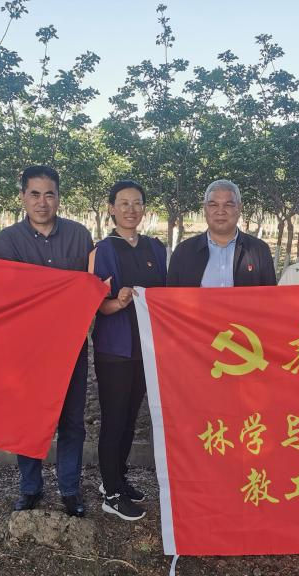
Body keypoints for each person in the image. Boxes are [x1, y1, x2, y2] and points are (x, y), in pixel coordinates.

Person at [0, 165, 93, 517]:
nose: (42, 202)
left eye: (49, 194)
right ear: (22, 197)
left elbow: (90, 285)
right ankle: (30, 487)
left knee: (72, 422)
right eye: (34, 194)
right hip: (27, 349)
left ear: (59, 198)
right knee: (28, 419)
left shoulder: (80, 236)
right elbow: (8, 295)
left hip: (70, 345)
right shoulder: (6, 241)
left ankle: (69, 489)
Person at [89, 181, 167, 521]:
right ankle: (111, 494)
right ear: (111, 208)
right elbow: (97, 306)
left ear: (144, 209)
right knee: (114, 419)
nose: (131, 209)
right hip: (115, 349)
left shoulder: (156, 249)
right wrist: (117, 302)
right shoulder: (103, 250)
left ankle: (116, 478)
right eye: (123, 203)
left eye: (137, 203)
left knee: (130, 418)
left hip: (145, 347)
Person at [167, 179, 276, 287]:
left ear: (239, 208)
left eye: (228, 205)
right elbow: (170, 296)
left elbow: (270, 296)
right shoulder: (183, 252)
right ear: (205, 209)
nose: (220, 211)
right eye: (213, 205)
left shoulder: (259, 251)